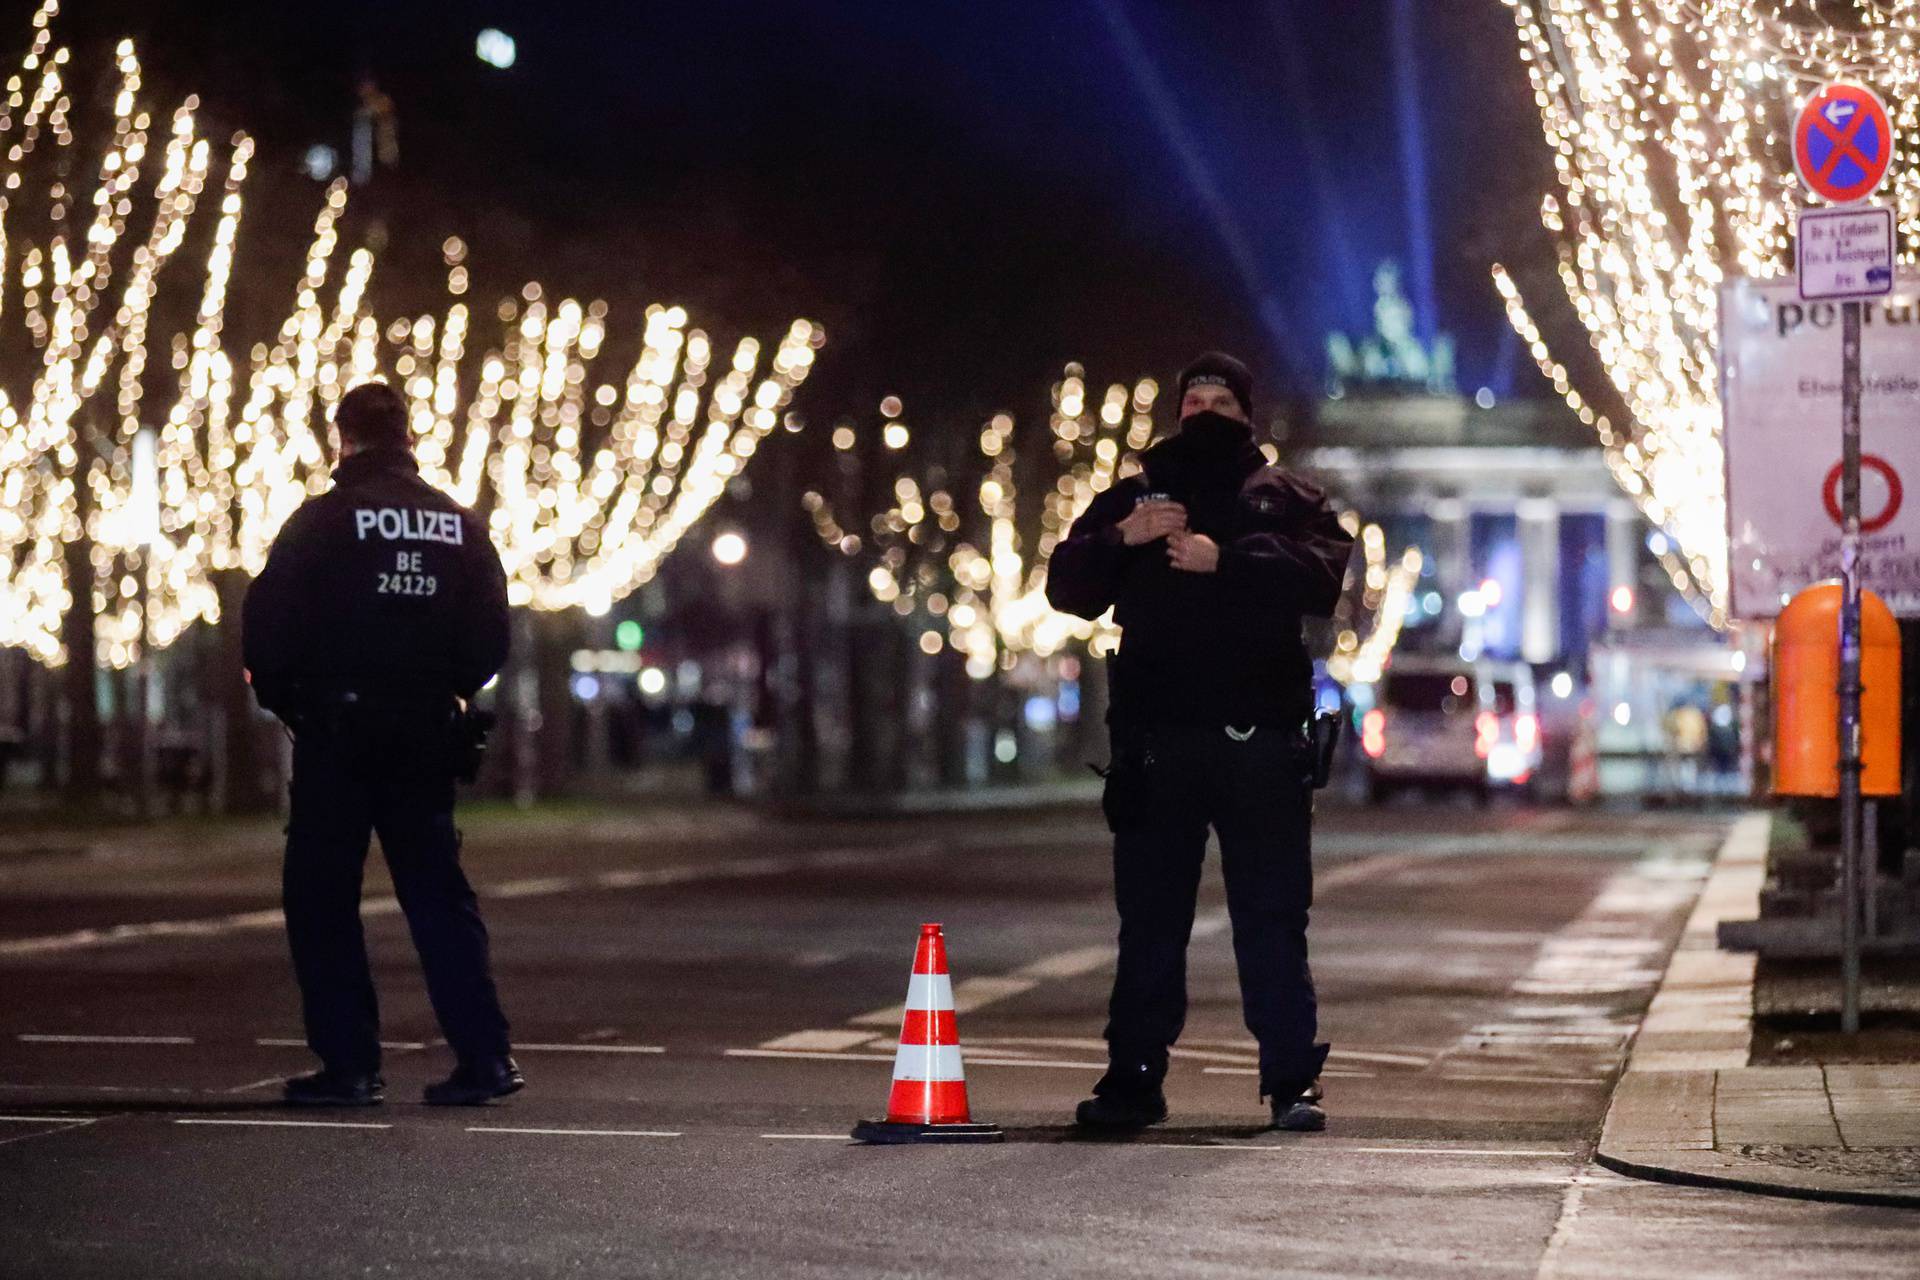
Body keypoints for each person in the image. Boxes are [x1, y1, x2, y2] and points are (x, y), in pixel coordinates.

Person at [1047, 351, 1354, 1132]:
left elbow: (1325, 580)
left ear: (1248, 413)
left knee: (1273, 917)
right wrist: (1123, 536)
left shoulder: (1287, 498)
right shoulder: (1136, 499)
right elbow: (1067, 588)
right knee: (1149, 922)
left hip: (1260, 744)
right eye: (1193, 400)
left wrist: (1230, 561)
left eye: (1220, 398)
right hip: (1158, 747)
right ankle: (1133, 1082)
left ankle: (1291, 1082)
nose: (1204, 410)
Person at [243, 381, 521, 1107]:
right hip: (425, 730)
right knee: (437, 896)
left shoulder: (323, 522)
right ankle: (486, 1058)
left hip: (339, 728)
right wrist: (447, 688)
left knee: (323, 899)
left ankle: (351, 1065)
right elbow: (491, 635)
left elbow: (267, 621)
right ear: (408, 436)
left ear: (343, 437)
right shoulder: (459, 525)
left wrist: (289, 701)